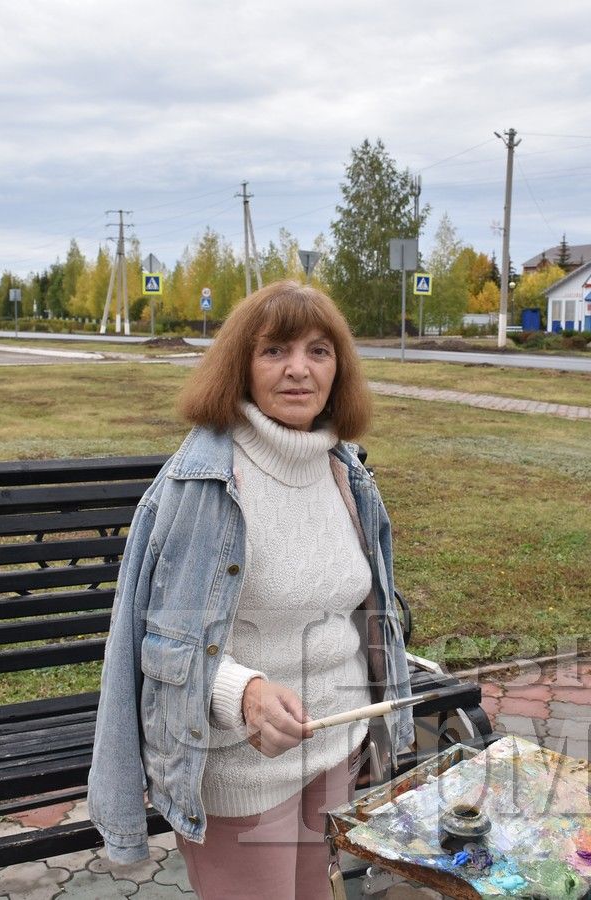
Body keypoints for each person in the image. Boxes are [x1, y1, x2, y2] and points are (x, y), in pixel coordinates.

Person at [87, 280, 414, 900]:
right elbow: (163, 648)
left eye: (319, 351)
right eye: (275, 351)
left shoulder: (346, 472)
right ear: (241, 365)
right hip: (241, 769)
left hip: (336, 750)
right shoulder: (203, 485)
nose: (299, 369)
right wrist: (245, 693)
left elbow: (358, 611)